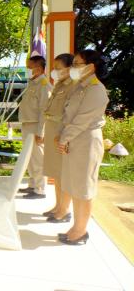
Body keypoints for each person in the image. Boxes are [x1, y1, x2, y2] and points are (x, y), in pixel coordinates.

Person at [56, 50, 109, 245]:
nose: (74, 67)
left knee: (84, 188)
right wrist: (63, 136)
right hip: (74, 141)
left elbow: (82, 121)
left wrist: (63, 138)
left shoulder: (96, 89)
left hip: (86, 142)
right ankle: (77, 227)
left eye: (78, 64)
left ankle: (80, 231)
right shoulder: (80, 87)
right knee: (75, 185)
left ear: (91, 67)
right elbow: (68, 114)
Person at [42, 53, 75, 222]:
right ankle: (57, 206)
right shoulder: (60, 84)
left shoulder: (73, 86)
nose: (55, 71)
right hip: (51, 129)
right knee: (55, 172)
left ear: (70, 68)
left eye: (58, 68)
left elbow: (70, 114)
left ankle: (64, 210)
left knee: (63, 173)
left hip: (60, 132)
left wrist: (64, 135)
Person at [18, 56, 52, 199]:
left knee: (37, 159)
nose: (27, 70)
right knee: (30, 158)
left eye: (29, 67)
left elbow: (44, 111)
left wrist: (41, 132)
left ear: (38, 69)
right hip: (27, 125)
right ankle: (33, 184)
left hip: (35, 126)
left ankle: (40, 189)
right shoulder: (33, 83)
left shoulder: (44, 85)